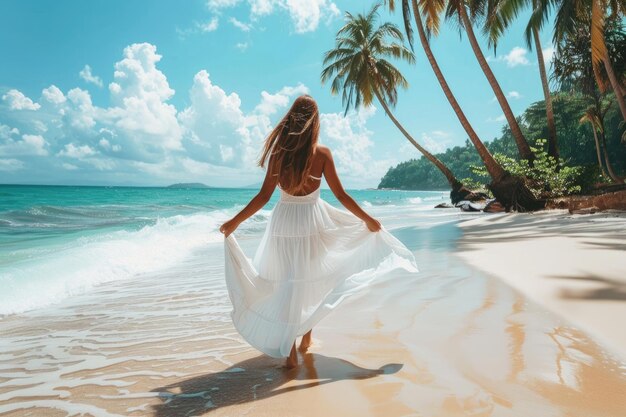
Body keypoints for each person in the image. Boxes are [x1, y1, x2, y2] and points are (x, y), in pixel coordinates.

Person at [220, 95, 418, 368]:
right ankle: (305, 340)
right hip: (311, 223)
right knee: (308, 280)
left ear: (290, 119)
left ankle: (291, 350)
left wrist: (234, 222)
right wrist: (368, 219)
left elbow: (264, 197)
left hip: (284, 223)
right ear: (315, 123)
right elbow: (342, 196)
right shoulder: (322, 154)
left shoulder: (279, 154)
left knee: (286, 284)